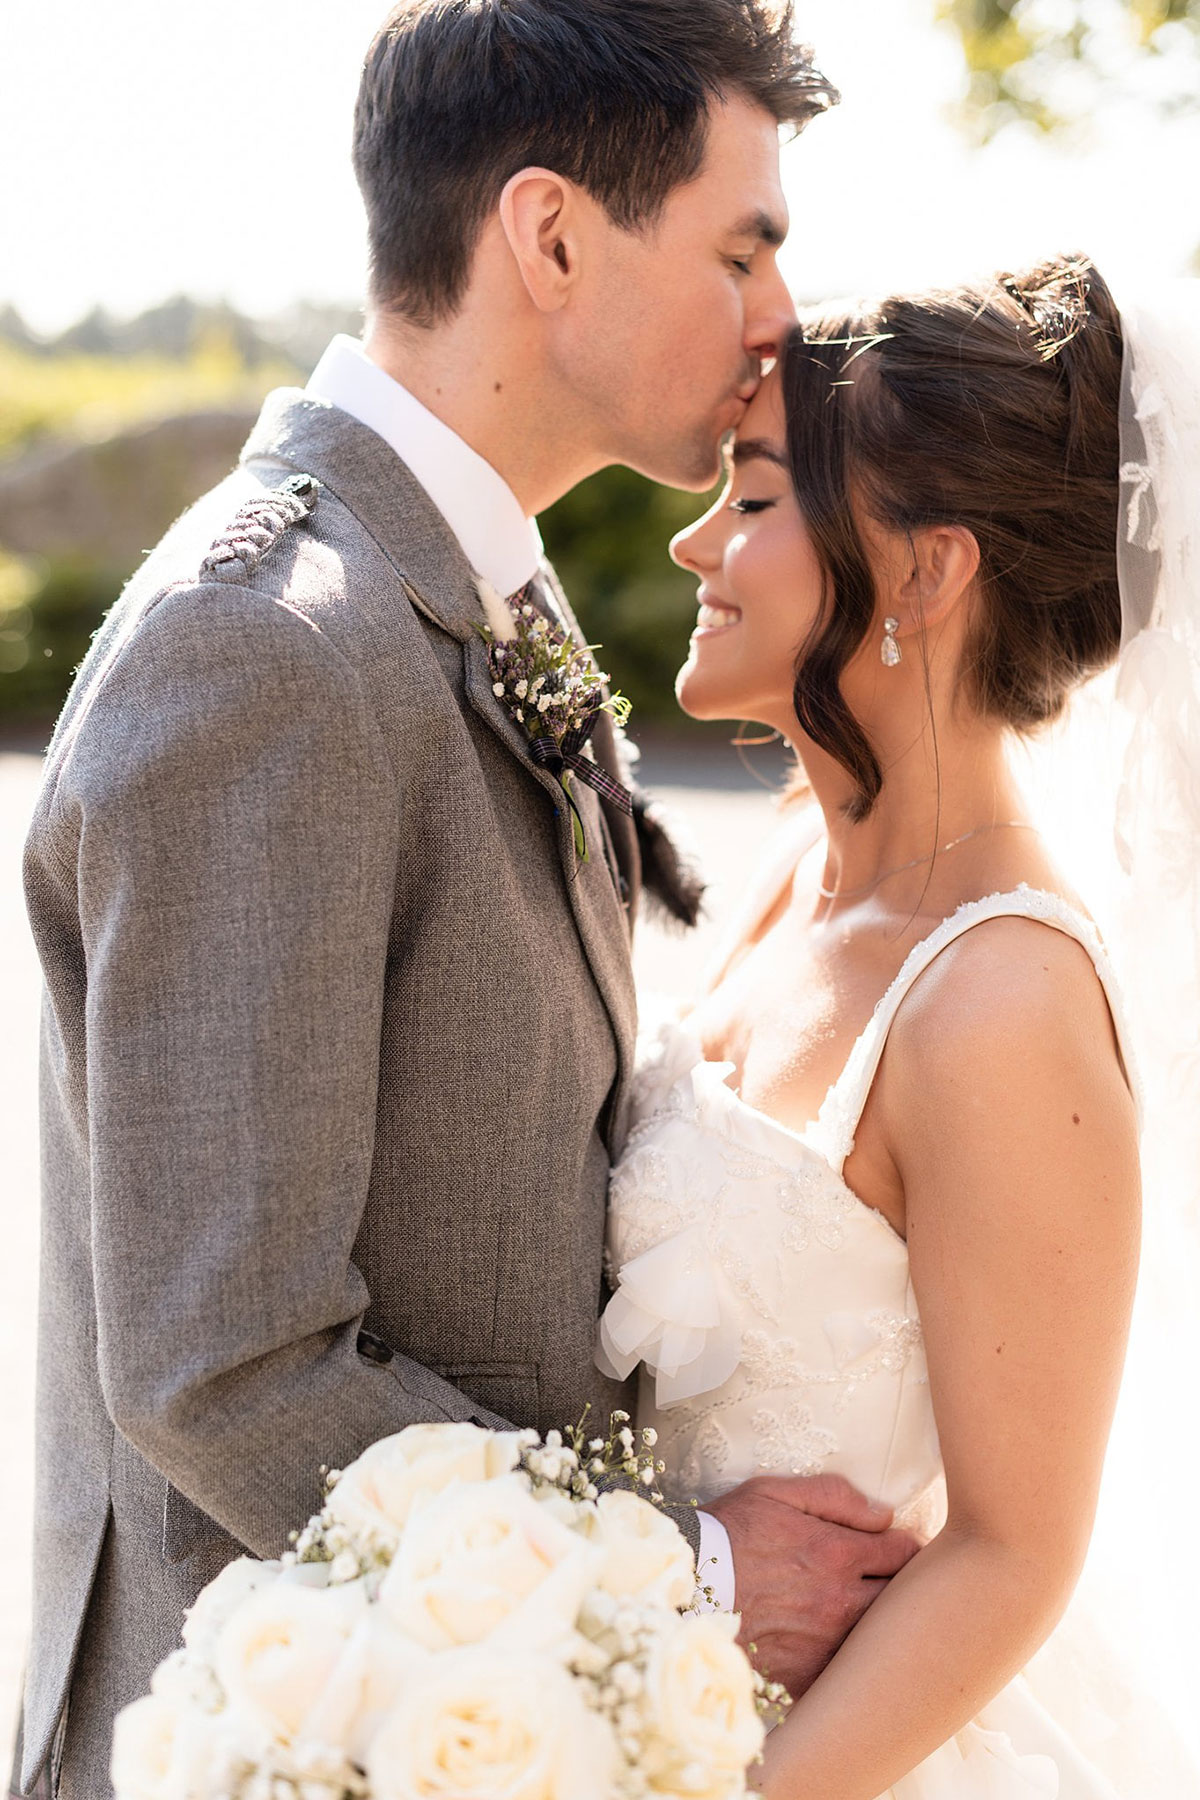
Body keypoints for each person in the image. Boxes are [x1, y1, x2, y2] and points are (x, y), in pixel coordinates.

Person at [10, 6, 924, 1798]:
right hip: (278, 1730)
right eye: (741, 249)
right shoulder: (267, 647)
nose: (777, 318)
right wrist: (682, 1579)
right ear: (551, 235)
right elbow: (225, 1367)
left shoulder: (470, 592)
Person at [599, 256, 1200, 1796]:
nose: (693, 541)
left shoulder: (1001, 1001)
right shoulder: (793, 859)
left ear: (927, 575)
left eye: (751, 496)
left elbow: (1013, 1551)